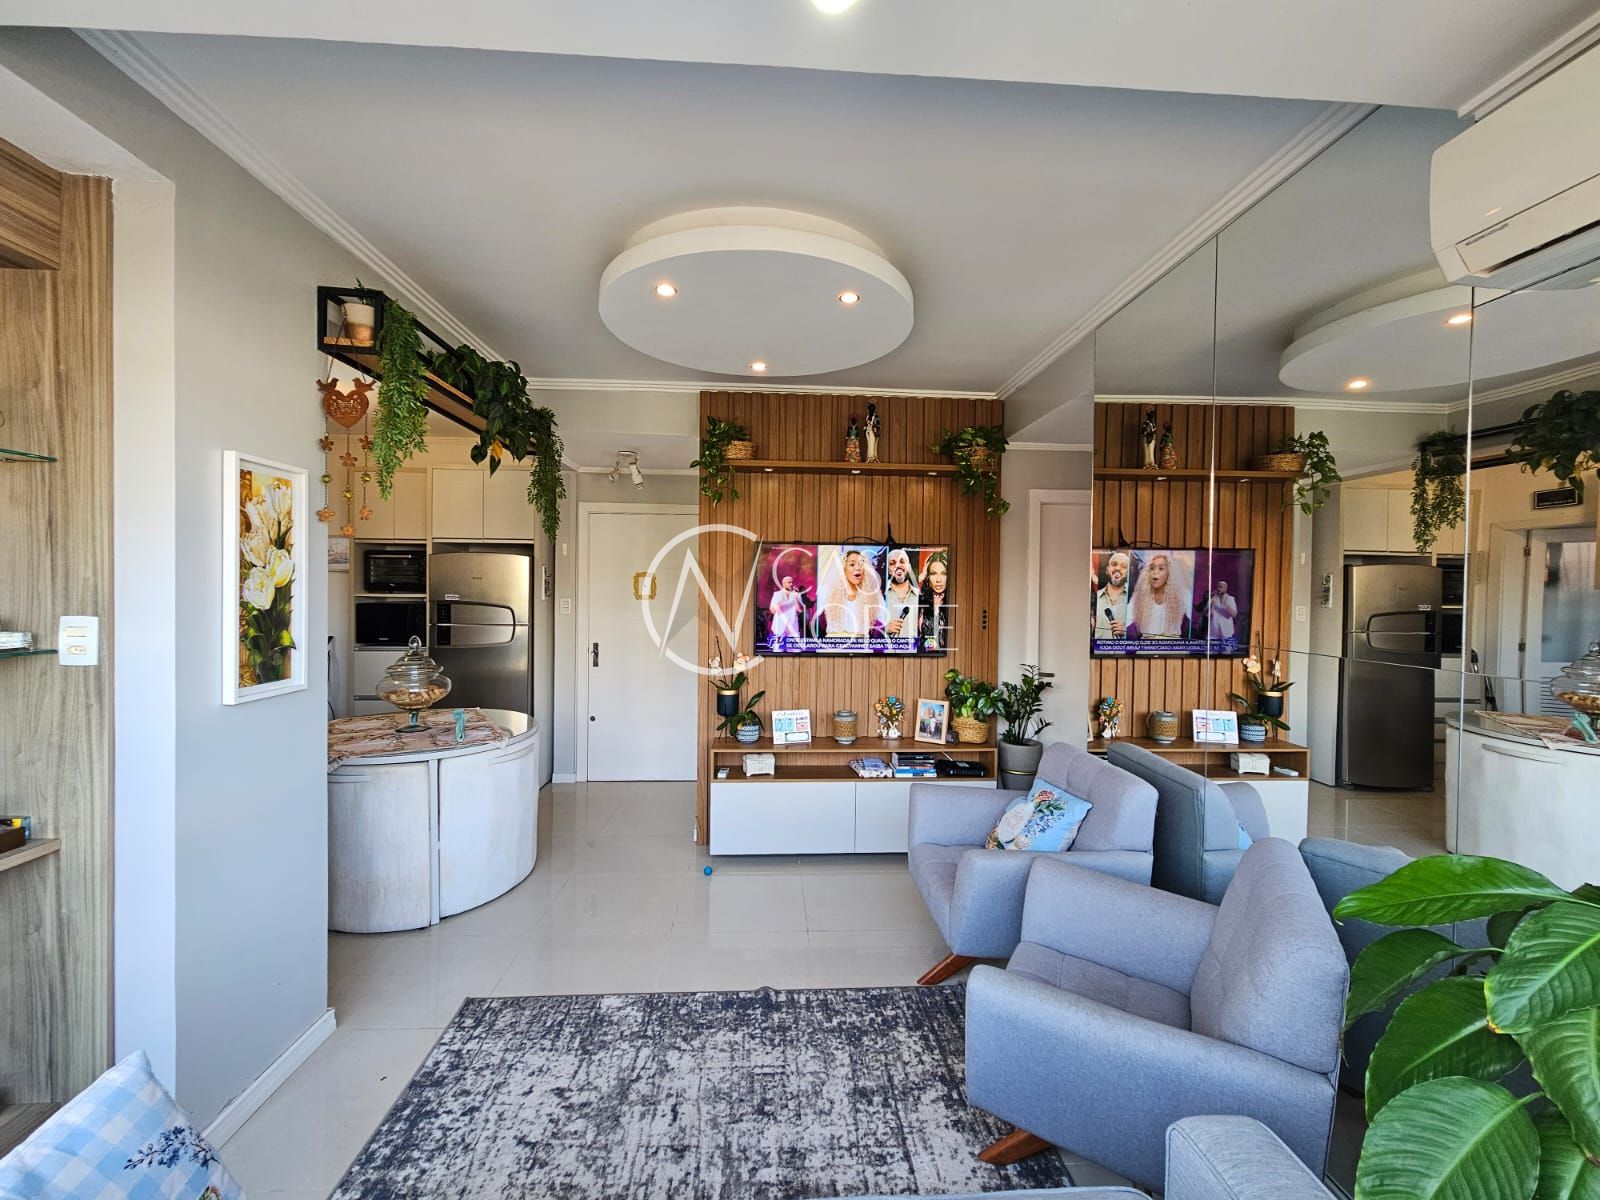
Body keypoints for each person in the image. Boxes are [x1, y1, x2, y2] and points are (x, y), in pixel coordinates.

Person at [817, 547, 883, 638]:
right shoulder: (828, 590)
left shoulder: (873, 595)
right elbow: (811, 616)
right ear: (843, 568)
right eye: (852, 564)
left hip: (861, 643)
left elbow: (884, 621)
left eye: (861, 564)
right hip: (834, 643)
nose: (857, 568)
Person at [1127, 552, 1190, 639]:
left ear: (1169, 572)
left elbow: (1195, 619)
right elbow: (1127, 621)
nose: (1155, 572)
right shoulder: (1138, 597)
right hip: (1147, 645)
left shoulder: (1182, 595)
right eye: (1152, 568)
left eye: (1161, 568)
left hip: (1172, 645)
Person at [881, 548, 919, 641]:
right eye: (893, 563)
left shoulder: (920, 597)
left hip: (913, 650)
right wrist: (883, 629)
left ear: (908, 567)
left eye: (902, 561)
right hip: (885, 649)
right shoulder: (879, 595)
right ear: (888, 570)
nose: (898, 565)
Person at [917, 550, 952, 651]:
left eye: (944, 574)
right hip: (923, 654)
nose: (938, 580)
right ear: (928, 576)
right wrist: (921, 576)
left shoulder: (954, 602)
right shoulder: (920, 601)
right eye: (933, 573)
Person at [1092, 551, 1130, 640]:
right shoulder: (1094, 598)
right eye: (1114, 564)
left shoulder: (1134, 599)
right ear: (1107, 570)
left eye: (1124, 566)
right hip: (1099, 649)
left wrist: (1128, 632)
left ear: (1128, 573)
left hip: (1126, 649)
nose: (1118, 568)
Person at [767, 574, 806, 641]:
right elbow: (772, 611)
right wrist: (784, 598)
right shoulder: (777, 594)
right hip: (780, 625)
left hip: (792, 626)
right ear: (784, 584)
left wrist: (796, 598)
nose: (791, 584)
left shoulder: (796, 595)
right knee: (779, 646)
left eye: (792, 582)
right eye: (789, 582)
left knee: (793, 646)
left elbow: (799, 610)